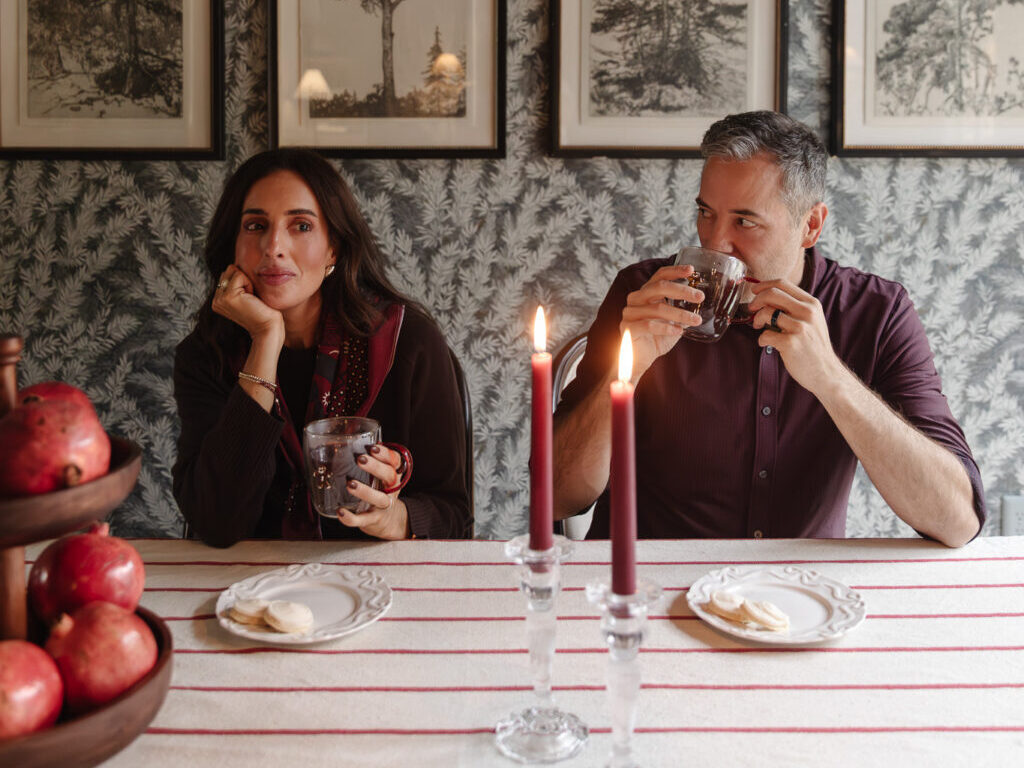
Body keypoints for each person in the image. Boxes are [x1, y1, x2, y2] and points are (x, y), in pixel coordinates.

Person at [553, 111, 985, 547]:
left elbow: (957, 521)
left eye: (745, 221)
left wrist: (831, 379)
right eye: (706, 213)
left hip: (799, 598)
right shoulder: (643, 293)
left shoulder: (877, 313)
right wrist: (624, 373)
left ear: (811, 225)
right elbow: (555, 498)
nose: (715, 243)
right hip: (648, 586)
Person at [173, 149, 471, 547]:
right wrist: (265, 340)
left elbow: (453, 517)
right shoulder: (206, 355)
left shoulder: (407, 343)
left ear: (334, 248)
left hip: (378, 586)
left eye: (300, 226)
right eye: (256, 225)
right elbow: (215, 522)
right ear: (233, 244)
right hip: (250, 590)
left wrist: (392, 518)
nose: (273, 246)